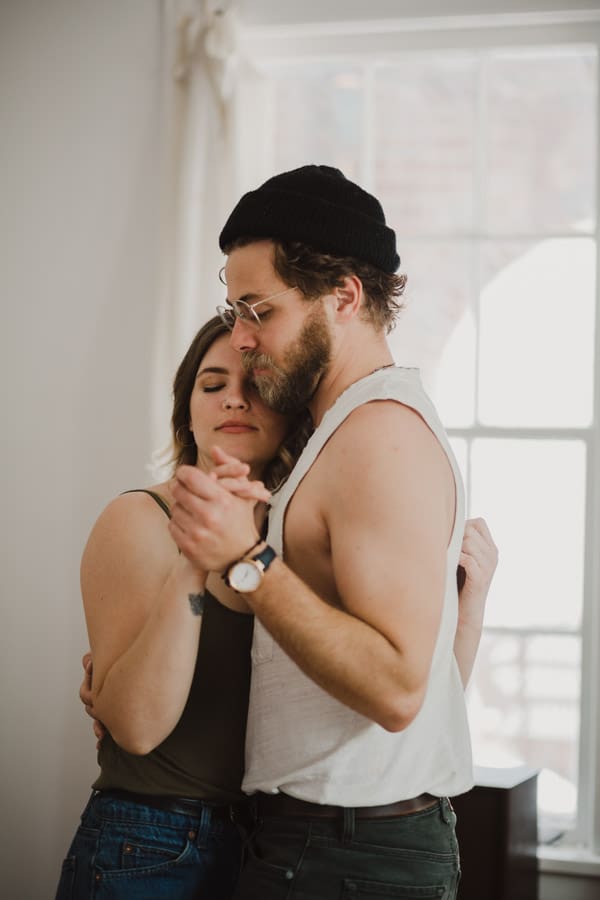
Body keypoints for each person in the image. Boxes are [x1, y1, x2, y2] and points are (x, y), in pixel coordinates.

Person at [167, 164, 499, 899]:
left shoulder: (378, 433)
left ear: (343, 296)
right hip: (332, 845)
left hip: (347, 855)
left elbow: (395, 691)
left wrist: (248, 558)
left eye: (258, 310)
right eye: (233, 311)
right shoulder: (340, 432)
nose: (240, 339)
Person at [54, 316, 307, 900]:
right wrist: (196, 554)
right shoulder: (139, 520)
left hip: (276, 850)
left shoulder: (299, 535)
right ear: (186, 413)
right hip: (150, 844)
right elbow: (138, 728)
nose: (234, 399)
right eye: (212, 385)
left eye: (257, 385)